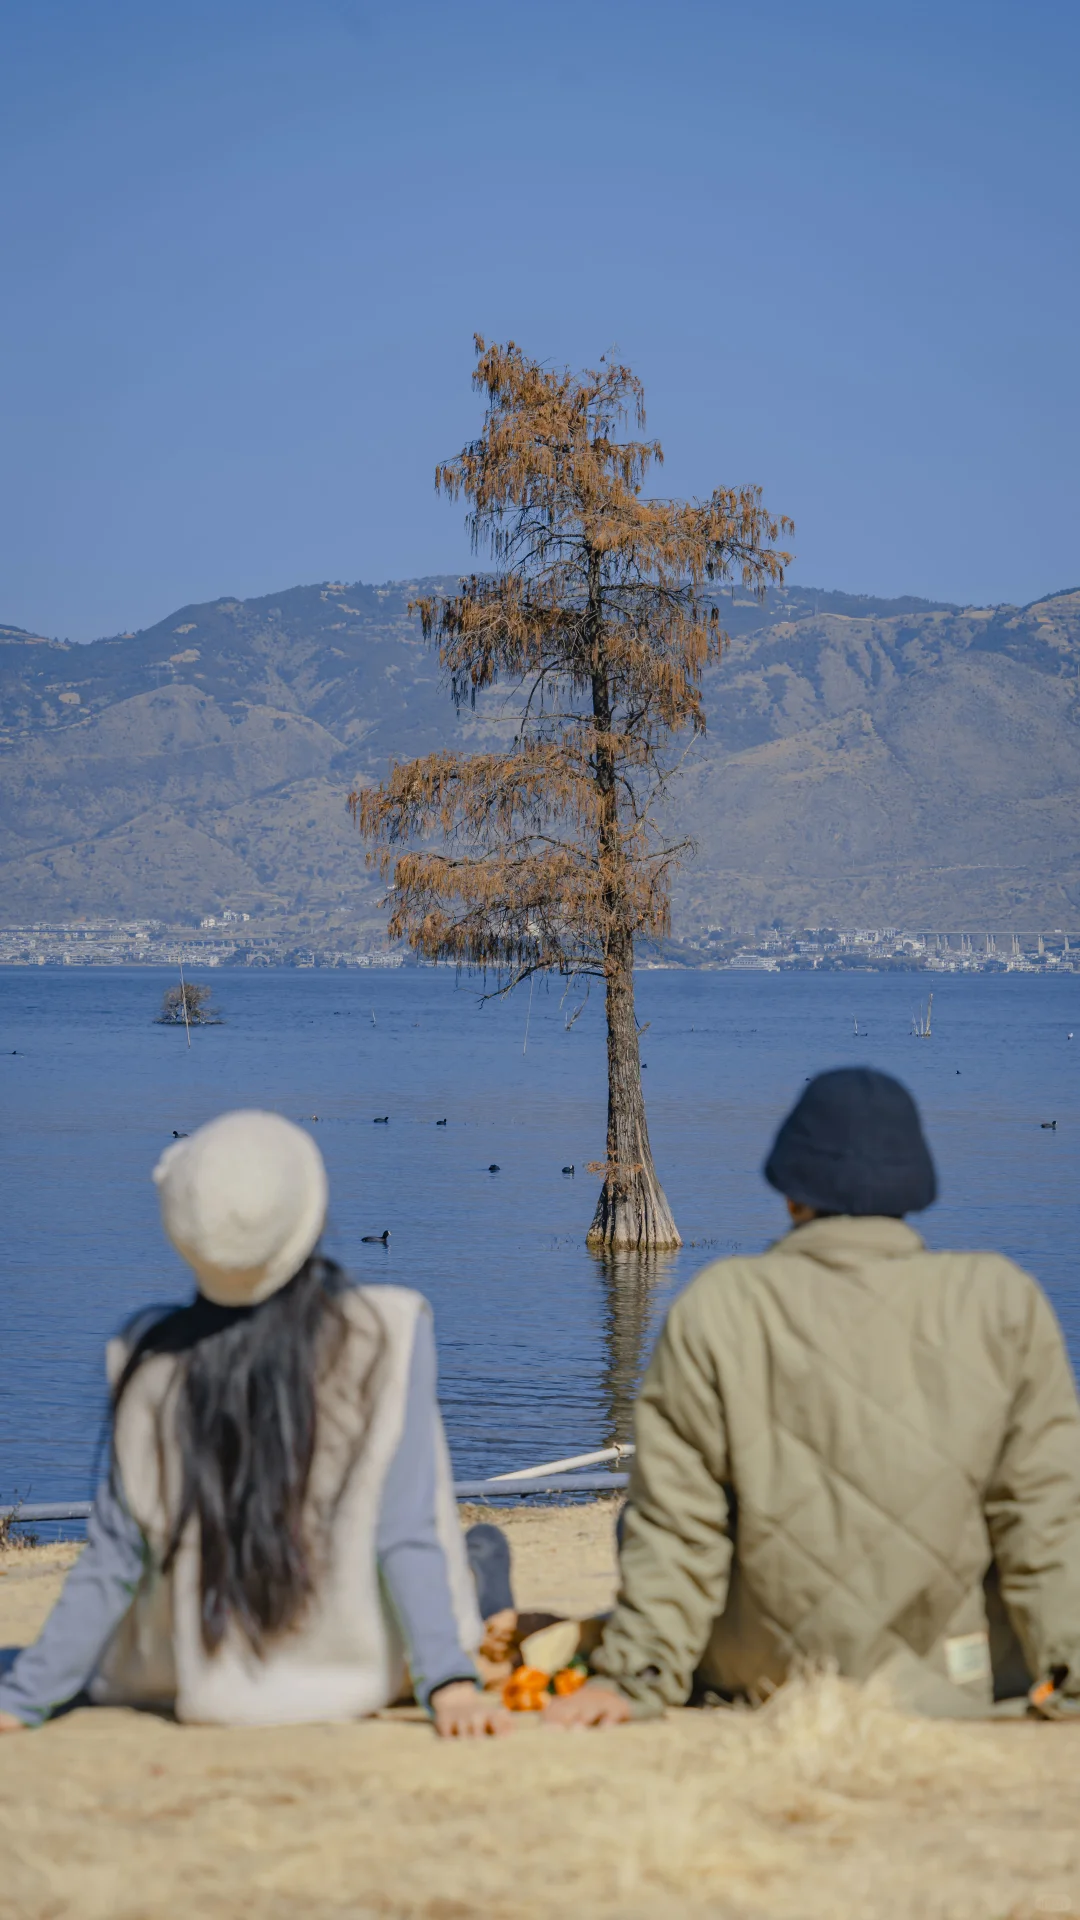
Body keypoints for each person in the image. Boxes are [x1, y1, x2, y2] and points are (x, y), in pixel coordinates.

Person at [545, 1067, 1080, 1729]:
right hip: (956, 1671)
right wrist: (1070, 1669)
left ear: (791, 1190)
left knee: (641, 1514)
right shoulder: (1003, 1301)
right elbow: (1044, 1513)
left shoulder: (722, 1304)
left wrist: (635, 1677)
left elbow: (679, 1527)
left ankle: (652, 1654)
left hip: (763, 1670)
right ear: (914, 1189)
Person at [0, 1110, 512, 1738]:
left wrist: (23, 1698)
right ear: (313, 1218)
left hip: (200, 1675)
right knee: (483, 1552)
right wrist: (449, 1683)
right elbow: (402, 1533)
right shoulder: (388, 1334)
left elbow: (115, 1556)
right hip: (361, 1670)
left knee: (481, 1552)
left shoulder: (147, 1355)